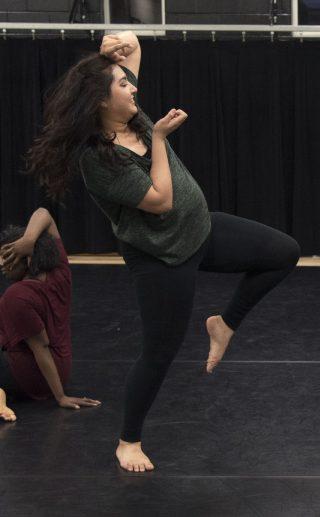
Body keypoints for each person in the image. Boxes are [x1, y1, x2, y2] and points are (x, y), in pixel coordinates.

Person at [25, 32, 300, 472]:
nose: (134, 87)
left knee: (284, 252)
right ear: (100, 101)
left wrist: (116, 45)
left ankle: (224, 324)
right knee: (159, 351)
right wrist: (157, 138)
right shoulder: (98, 157)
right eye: (122, 84)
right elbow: (160, 201)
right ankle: (128, 441)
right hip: (161, 257)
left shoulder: (129, 113)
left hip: (200, 229)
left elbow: (132, 48)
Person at [0, 208, 101, 422]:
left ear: (27, 259)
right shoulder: (59, 272)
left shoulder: (17, 295)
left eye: (8, 258)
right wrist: (29, 239)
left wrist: (61, 397)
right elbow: (44, 214)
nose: (2, 266)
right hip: (61, 368)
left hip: (33, 376)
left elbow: (41, 347)